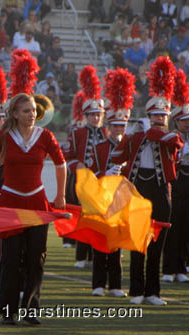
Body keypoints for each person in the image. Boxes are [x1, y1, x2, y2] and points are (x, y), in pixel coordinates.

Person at [0, 92, 66, 325]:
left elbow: (61, 163)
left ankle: (30, 308)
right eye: (26, 111)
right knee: (10, 257)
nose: (31, 115)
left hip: (37, 203)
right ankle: (8, 310)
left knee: (36, 258)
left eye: (34, 111)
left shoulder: (45, 135)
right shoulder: (5, 136)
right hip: (10, 202)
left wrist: (60, 194)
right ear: (15, 114)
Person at [111, 56, 183, 305]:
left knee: (157, 242)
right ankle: (137, 291)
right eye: (156, 117)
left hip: (162, 190)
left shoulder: (170, 135)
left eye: (163, 117)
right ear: (149, 115)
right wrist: (130, 135)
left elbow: (171, 141)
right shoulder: (137, 135)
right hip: (138, 190)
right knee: (137, 242)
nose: (160, 120)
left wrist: (147, 130)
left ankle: (153, 292)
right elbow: (116, 155)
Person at [90, 67, 136, 298]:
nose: (119, 129)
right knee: (100, 242)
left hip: (121, 199)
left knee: (116, 244)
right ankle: (98, 284)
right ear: (109, 126)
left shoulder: (132, 147)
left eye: (122, 126)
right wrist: (105, 174)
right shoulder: (99, 147)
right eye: (116, 126)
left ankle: (116, 285)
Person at [62, 66, 109, 267]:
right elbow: (67, 156)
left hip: (101, 182)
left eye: (98, 115)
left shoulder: (106, 133)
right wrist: (78, 166)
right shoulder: (77, 133)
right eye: (92, 115)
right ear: (86, 116)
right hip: (81, 182)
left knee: (99, 217)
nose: (95, 118)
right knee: (83, 217)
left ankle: (95, 255)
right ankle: (81, 256)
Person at [161, 69, 189, 283]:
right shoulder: (172, 137)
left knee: (187, 226)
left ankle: (182, 266)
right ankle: (169, 268)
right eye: (182, 120)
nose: (186, 123)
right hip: (177, 181)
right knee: (174, 225)